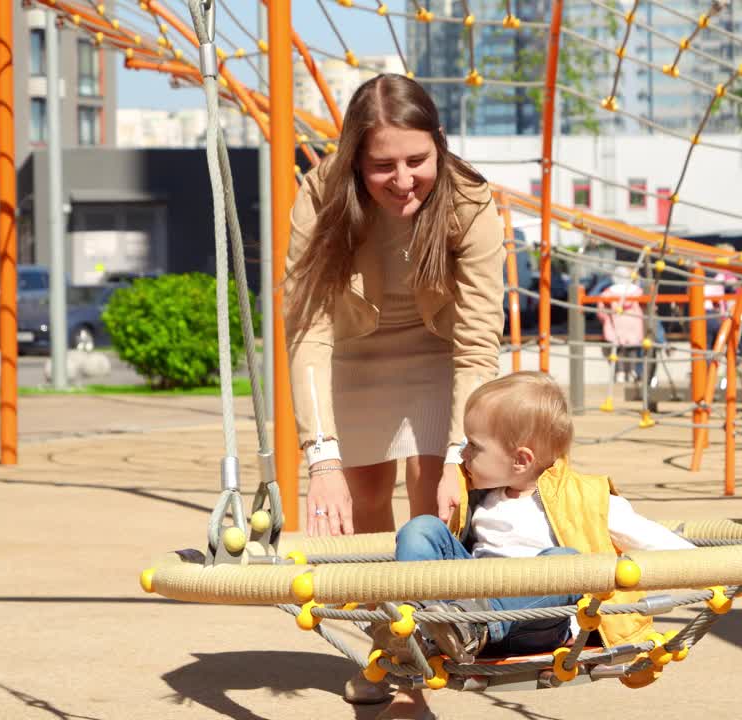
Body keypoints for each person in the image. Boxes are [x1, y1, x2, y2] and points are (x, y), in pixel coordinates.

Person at [373, 372, 696, 718]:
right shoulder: (477, 494)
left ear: (521, 459)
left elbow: (648, 537)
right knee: (422, 528)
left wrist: (713, 568)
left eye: (474, 446)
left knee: (565, 563)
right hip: (458, 614)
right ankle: (414, 624)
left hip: (534, 624)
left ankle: (470, 625)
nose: (462, 454)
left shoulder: (584, 497)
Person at [284, 73, 505, 542]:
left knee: (433, 500)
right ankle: (381, 616)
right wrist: (321, 458)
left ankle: (433, 613)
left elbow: (477, 343)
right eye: (383, 165)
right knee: (362, 500)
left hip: (438, 354)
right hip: (356, 355)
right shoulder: (321, 196)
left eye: (417, 160)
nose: (403, 180)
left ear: (439, 145)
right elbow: (308, 331)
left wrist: (458, 455)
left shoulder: (469, 200)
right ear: (355, 161)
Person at [596, 266, 646, 381]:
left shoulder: (609, 292)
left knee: (618, 350)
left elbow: (600, 308)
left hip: (616, 322)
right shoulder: (637, 291)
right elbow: (645, 305)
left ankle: (620, 372)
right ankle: (632, 371)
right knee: (632, 349)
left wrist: (604, 319)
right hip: (634, 323)